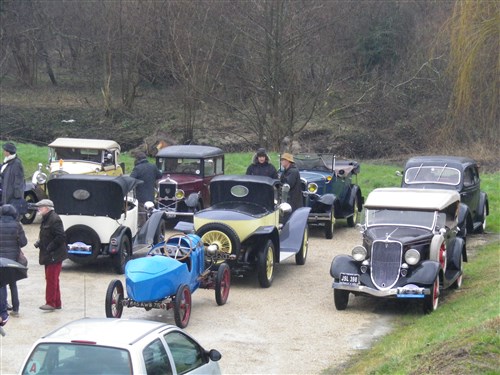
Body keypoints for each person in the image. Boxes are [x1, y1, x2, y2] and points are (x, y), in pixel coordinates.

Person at [34, 199, 67, 311]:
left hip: (54, 254)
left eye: (41, 207)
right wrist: (39, 242)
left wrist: (50, 247)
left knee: (51, 279)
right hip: (49, 254)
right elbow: (45, 234)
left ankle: (50, 303)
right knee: (53, 279)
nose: (39, 209)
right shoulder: (46, 219)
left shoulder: (54, 219)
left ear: (47, 208)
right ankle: (57, 302)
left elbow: (61, 236)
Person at [0, 204, 28, 318]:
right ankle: (16, 309)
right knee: (13, 284)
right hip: (12, 259)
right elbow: (23, 242)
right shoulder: (17, 225)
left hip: (0, 260)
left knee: (1, 284)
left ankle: (3, 307)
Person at [130, 152, 162, 227]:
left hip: (140, 196)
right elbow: (160, 175)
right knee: (150, 212)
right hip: (151, 195)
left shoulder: (137, 168)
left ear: (137, 159)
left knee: (142, 215)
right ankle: (151, 228)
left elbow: (131, 179)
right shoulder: (153, 166)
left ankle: (143, 231)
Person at [1, 142, 26, 219]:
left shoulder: (16, 163)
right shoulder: (7, 162)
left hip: (12, 195)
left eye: (4, 150)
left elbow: (18, 180)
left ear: (8, 152)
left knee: (13, 213)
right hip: (5, 192)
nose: (3, 152)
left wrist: (17, 196)